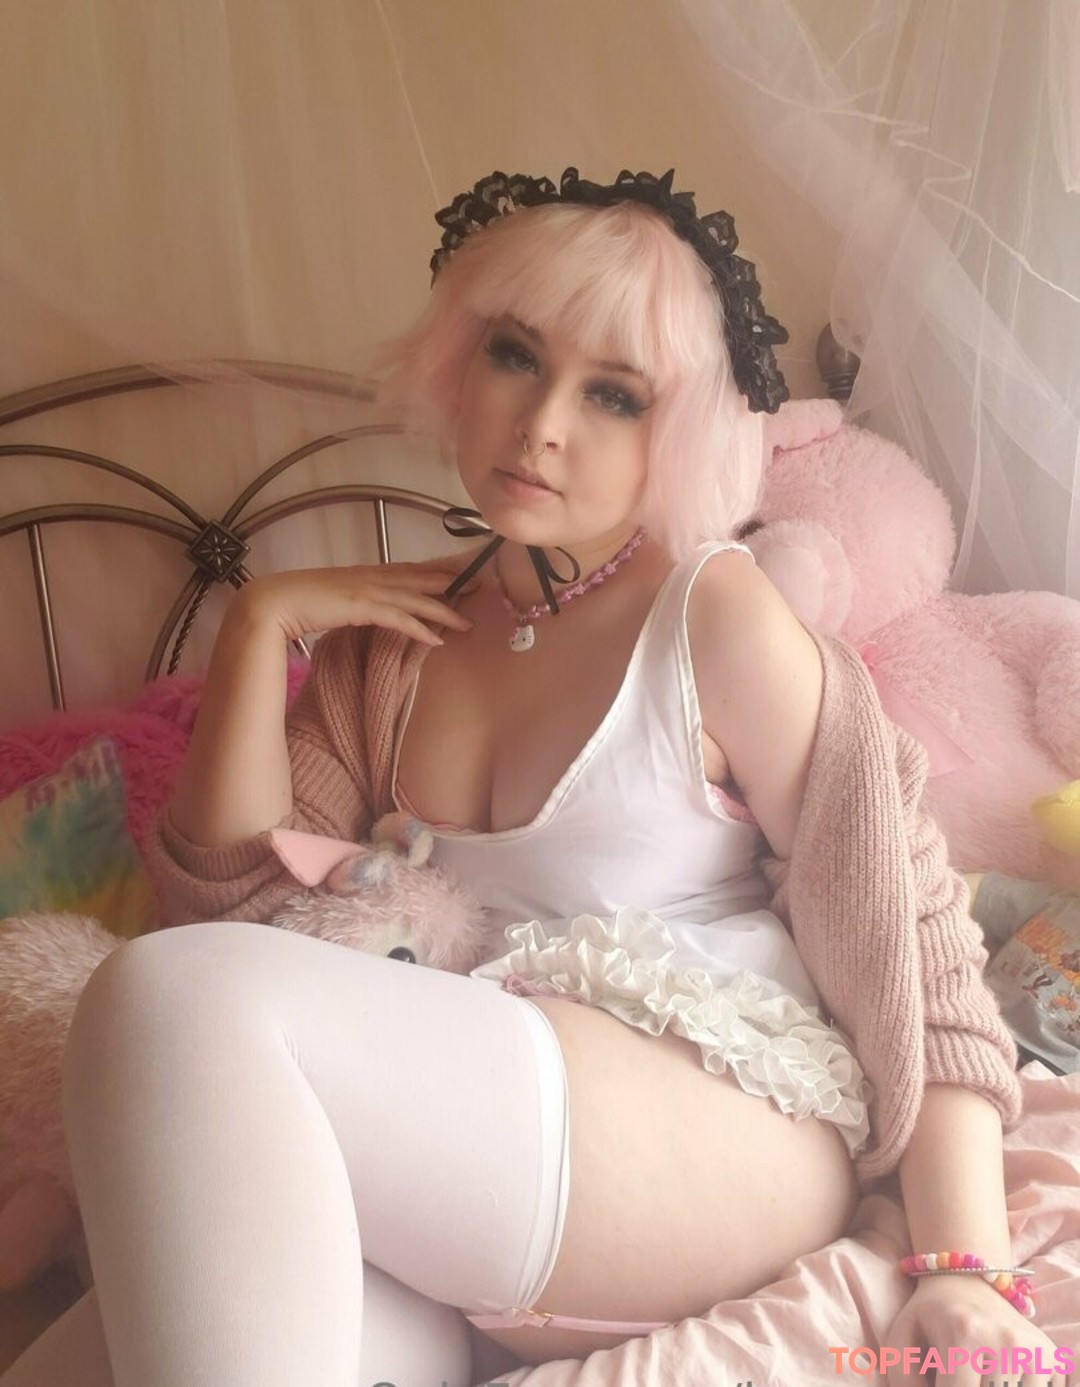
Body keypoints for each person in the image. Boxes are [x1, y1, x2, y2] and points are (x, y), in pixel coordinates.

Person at [1, 168, 1064, 1387]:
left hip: (722, 1129)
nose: (541, 423)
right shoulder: (382, 657)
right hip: (482, 1192)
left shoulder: (714, 617)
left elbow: (914, 944)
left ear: (681, 429)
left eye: (613, 393)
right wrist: (257, 626)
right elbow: (236, 921)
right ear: (458, 361)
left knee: (151, 993)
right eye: (516, 355)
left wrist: (967, 1269)